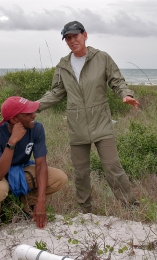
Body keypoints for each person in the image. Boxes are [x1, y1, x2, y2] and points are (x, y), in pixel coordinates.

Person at [36, 21, 140, 213]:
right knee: (81, 172)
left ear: (85, 35)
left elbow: (117, 81)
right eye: (68, 38)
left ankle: (130, 206)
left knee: (113, 168)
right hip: (77, 126)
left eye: (75, 36)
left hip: (101, 123)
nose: (72, 40)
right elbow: (56, 92)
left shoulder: (102, 58)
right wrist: (35, 106)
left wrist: (126, 94)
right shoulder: (63, 65)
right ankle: (85, 211)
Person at [0, 96, 68, 229]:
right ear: (14, 119)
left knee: (59, 178)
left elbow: (41, 165)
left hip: (22, 169)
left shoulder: (36, 128)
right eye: (28, 114)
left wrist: (41, 200)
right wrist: (12, 142)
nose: (34, 115)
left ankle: (28, 204)